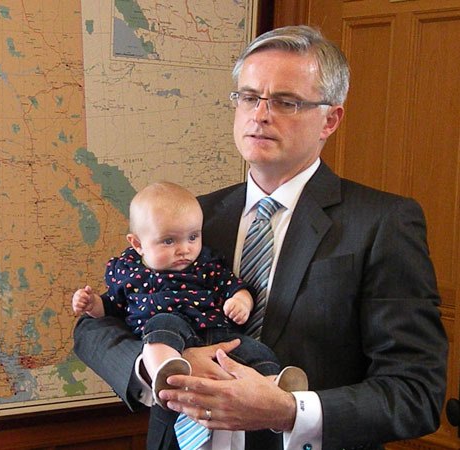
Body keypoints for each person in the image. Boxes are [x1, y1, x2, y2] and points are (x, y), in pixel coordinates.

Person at [73, 25, 448, 450]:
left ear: (331, 118)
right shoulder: (190, 219)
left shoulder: (383, 223)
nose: (260, 114)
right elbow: (97, 324)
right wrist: (153, 365)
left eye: (285, 101)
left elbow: (416, 392)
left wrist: (288, 410)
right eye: (249, 97)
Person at [72, 181, 306, 410]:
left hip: (217, 335)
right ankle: (166, 368)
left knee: (254, 350)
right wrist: (93, 304)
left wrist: (241, 301)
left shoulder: (205, 264)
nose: (184, 249)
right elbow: (112, 309)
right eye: (169, 241)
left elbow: (231, 285)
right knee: (162, 326)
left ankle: (274, 385)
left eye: (193, 237)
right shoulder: (129, 272)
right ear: (137, 244)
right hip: (170, 330)